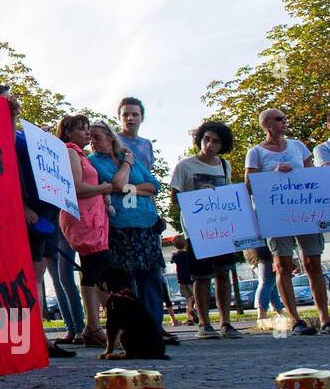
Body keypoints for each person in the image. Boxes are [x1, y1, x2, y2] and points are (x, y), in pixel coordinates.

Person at [88, 122, 178, 346]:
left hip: (145, 226)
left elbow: (153, 186)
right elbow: (117, 184)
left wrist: (131, 187)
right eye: (90, 138)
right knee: (127, 282)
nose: (93, 142)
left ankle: (154, 328)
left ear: (109, 137)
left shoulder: (128, 158)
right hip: (121, 228)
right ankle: (133, 331)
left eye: (97, 137)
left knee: (151, 278)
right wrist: (127, 165)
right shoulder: (95, 162)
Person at [244, 108, 330, 335]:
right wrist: (273, 173)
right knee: (282, 265)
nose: (284, 121)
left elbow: (314, 176)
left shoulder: (298, 146)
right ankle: (295, 319)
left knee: (313, 263)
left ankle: (325, 318)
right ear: (265, 124)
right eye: (279, 119)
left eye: (284, 118)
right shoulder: (255, 152)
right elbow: (249, 186)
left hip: (304, 212)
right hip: (277, 216)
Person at [5, 93, 74, 358]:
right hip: (28, 212)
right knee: (30, 276)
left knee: (38, 273)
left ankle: (37, 335)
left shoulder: (23, 133)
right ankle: (34, 338)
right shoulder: (5, 132)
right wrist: (21, 205)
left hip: (46, 211)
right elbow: (6, 165)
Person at [169, 120, 244, 339]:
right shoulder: (186, 166)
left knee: (223, 273)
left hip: (221, 226)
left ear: (223, 145)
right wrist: (199, 193)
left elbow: (229, 192)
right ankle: (203, 323)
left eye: (216, 141)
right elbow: (175, 198)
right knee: (201, 276)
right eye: (206, 139)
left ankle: (226, 322)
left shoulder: (224, 165)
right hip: (197, 229)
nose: (209, 144)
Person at [56, 114, 115, 347]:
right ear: (68, 132)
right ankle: (103, 326)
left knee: (91, 271)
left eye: (88, 128)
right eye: (81, 129)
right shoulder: (70, 151)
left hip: (92, 218)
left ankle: (93, 327)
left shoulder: (81, 155)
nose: (87, 132)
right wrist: (104, 187)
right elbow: (77, 187)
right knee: (104, 269)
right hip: (82, 220)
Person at [243, 245, 284, 330]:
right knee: (266, 282)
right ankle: (261, 316)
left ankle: (279, 313)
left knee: (270, 284)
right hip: (263, 253)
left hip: (251, 252)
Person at [116, 97, 155, 173]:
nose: (130, 118)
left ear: (142, 118)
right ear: (119, 118)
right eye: (125, 115)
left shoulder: (147, 144)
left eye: (135, 114)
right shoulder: (111, 141)